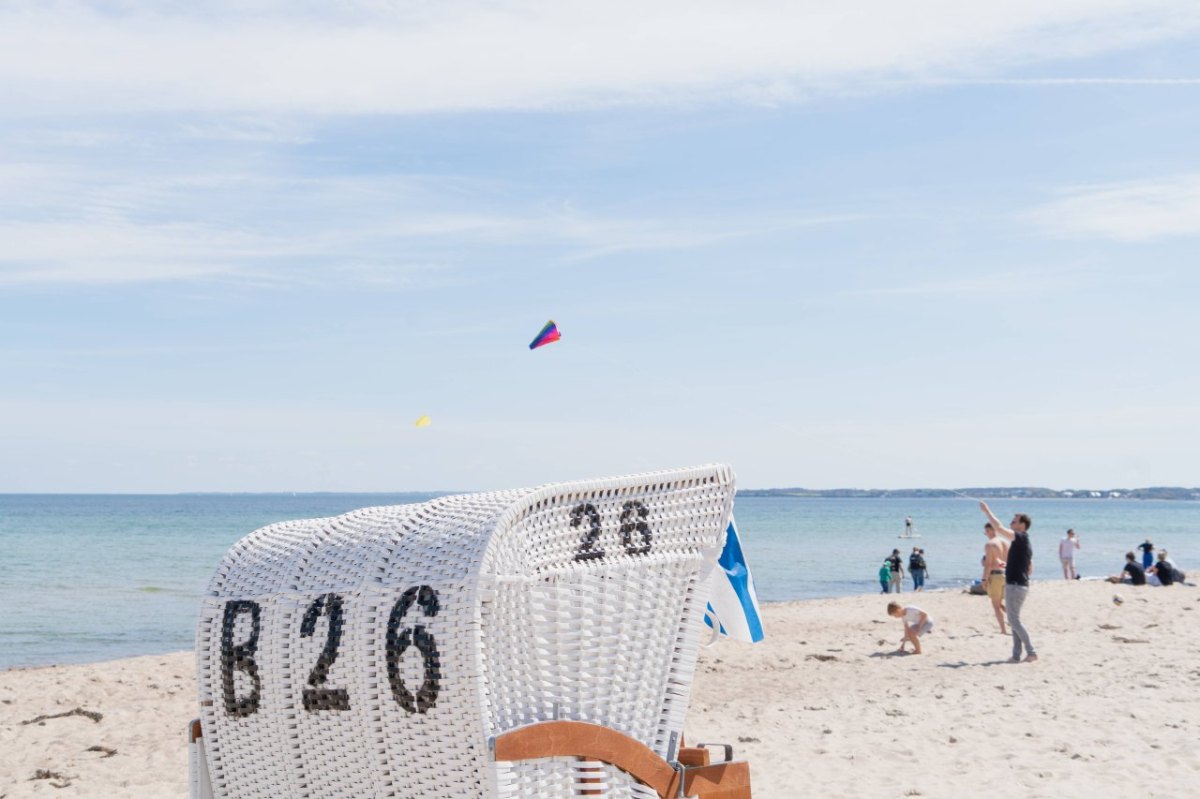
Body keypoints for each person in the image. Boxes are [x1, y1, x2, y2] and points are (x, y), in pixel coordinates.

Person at [980, 502, 1037, 662]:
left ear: (1022, 525)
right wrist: (1007, 565)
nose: (1012, 522)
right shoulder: (1023, 541)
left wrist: (987, 511)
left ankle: (1031, 652)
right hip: (1017, 584)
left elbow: (997, 527)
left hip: (1016, 586)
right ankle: (1016, 655)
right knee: (1014, 620)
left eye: (1015, 520)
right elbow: (1028, 566)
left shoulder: (1021, 537)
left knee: (1014, 621)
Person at [981, 522, 1008, 635]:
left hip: (995, 576)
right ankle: (1013, 621)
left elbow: (988, 565)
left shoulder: (990, 544)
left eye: (986, 532)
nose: (986, 534)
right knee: (1001, 603)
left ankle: (1003, 629)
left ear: (991, 530)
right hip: (1006, 574)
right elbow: (1006, 562)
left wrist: (984, 579)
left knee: (996, 605)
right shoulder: (1005, 542)